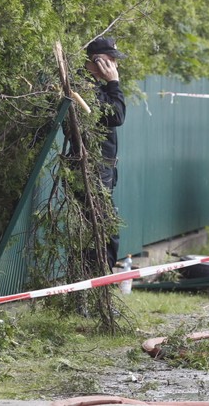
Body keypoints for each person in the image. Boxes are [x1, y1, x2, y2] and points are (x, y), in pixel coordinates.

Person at [70, 36, 127, 272]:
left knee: (102, 230)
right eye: (111, 60)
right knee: (102, 231)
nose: (115, 66)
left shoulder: (94, 88)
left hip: (102, 169)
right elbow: (117, 116)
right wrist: (114, 83)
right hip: (92, 169)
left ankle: (97, 284)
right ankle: (96, 282)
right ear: (96, 61)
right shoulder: (84, 88)